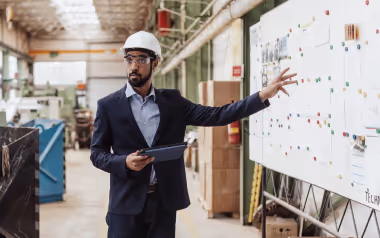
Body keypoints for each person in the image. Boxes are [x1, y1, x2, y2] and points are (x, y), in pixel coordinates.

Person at [90, 31, 297, 238]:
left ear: (155, 64)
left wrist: (262, 95)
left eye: (141, 59)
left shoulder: (173, 103)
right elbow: (97, 153)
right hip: (125, 205)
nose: (134, 66)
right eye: (129, 59)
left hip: (163, 203)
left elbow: (217, 115)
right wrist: (124, 162)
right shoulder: (108, 106)